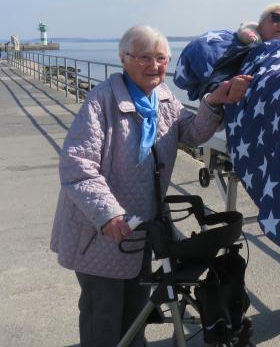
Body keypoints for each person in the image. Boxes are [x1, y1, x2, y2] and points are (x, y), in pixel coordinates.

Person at [50, 24, 252, 347]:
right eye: (144, 57)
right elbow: (77, 164)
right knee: (102, 318)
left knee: (136, 315)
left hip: (140, 232)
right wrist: (108, 213)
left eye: (161, 59)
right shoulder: (102, 101)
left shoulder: (163, 98)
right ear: (124, 58)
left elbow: (191, 133)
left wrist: (214, 101)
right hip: (100, 232)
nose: (154, 66)